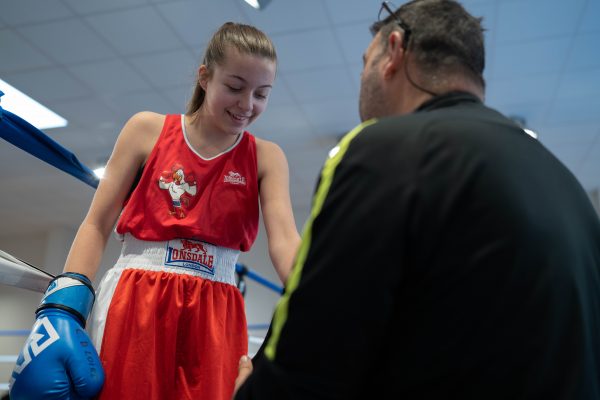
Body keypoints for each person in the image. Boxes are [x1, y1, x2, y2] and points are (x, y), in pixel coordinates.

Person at [233, 1, 600, 399]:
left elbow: (313, 347)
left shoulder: (382, 149)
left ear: (393, 51)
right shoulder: (568, 187)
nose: (362, 78)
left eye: (365, 61)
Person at [10, 22, 300, 400]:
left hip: (217, 312)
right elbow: (96, 224)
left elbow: (285, 242)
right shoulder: (147, 130)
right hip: (138, 298)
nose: (247, 104)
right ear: (204, 77)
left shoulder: (267, 156)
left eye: (262, 94)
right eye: (235, 87)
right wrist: (63, 306)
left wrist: (320, 293)